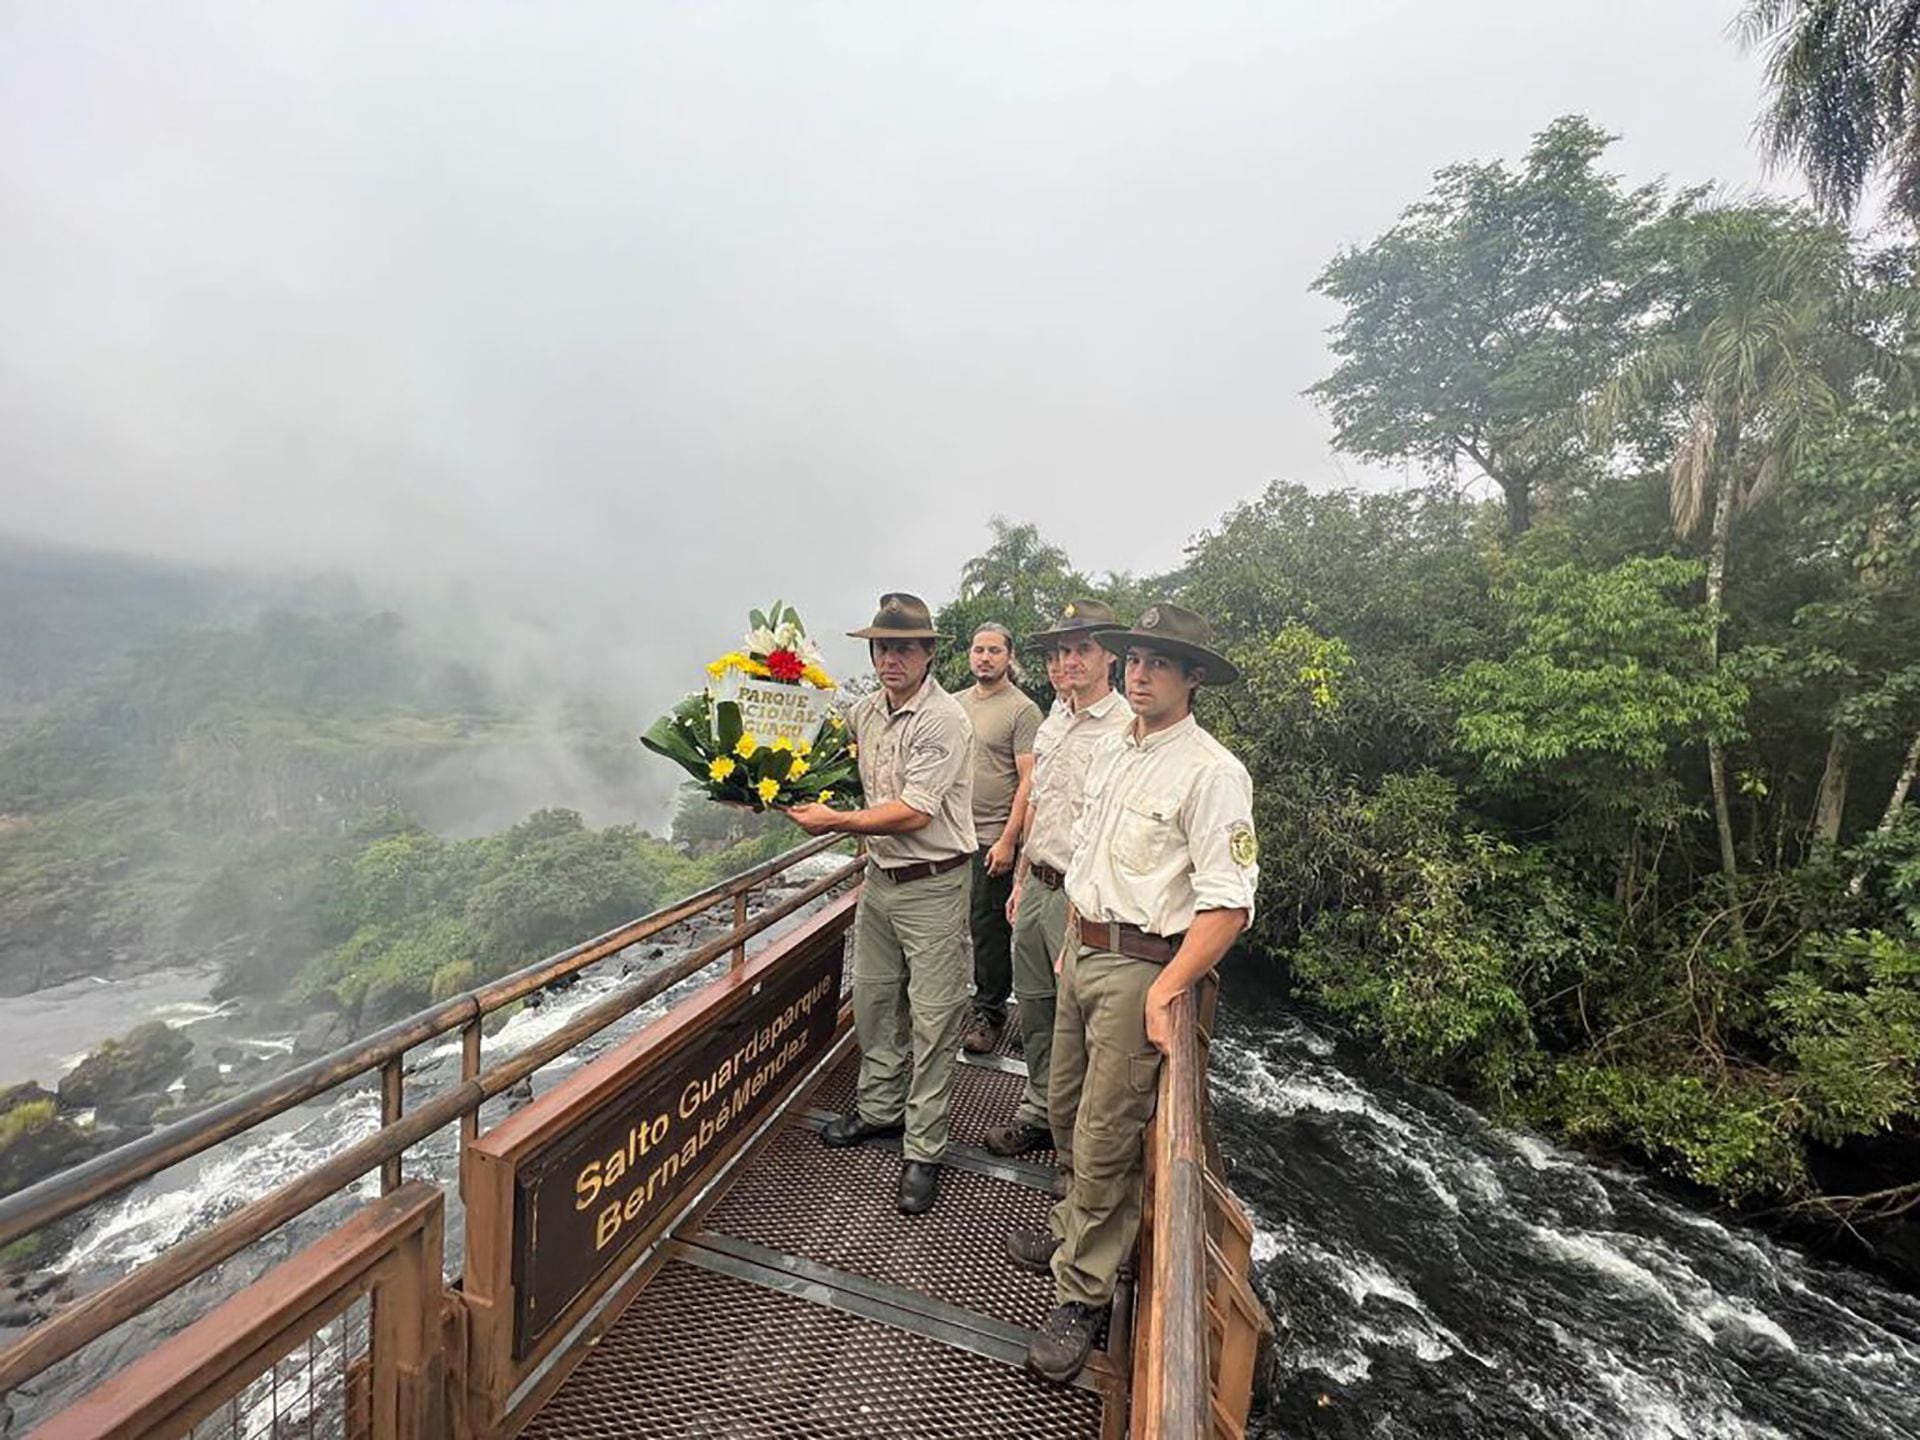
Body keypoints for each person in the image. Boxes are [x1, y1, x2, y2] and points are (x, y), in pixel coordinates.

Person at [1005, 603, 1258, 1384]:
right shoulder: (1117, 745)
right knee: (1065, 1104)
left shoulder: (1213, 772)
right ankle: (1071, 1225)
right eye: (1136, 659)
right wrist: (1072, 938)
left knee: (1110, 1128)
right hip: (1083, 949)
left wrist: (1168, 988)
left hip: (1140, 963)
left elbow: (1229, 904)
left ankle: (1082, 1291)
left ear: (1192, 678)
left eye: (1159, 662)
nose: (1142, 673)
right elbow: (1090, 849)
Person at [786, 593, 976, 1215]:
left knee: (933, 1015)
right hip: (881, 882)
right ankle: (878, 1110)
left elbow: (916, 810)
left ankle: (923, 1148)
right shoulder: (866, 713)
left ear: (928, 653)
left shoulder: (944, 719)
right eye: (882, 647)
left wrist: (836, 822)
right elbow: (819, 765)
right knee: (872, 1001)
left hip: (934, 884)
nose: (891, 658)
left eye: (903, 647)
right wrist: (756, 786)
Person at [982, 601, 1129, 1171]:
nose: (1066, 662)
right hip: (1038, 884)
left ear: (1109, 656)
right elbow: (1038, 802)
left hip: (1082, 898)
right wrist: (1020, 879)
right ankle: (1037, 1112)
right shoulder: (1054, 719)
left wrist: (1082, 909)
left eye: (1081, 649)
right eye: (1059, 652)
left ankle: (1075, 1148)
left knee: (1078, 1024)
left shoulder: (1124, 731)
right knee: (1037, 1012)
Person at [955, 624, 1043, 1055]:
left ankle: (990, 1013)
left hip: (992, 836)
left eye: (994, 650)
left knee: (988, 929)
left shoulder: (1022, 711)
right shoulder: (955, 705)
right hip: (951, 835)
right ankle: (950, 1003)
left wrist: (1009, 840)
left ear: (1010, 656)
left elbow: (1029, 780)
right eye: (978, 650)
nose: (984, 658)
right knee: (948, 927)